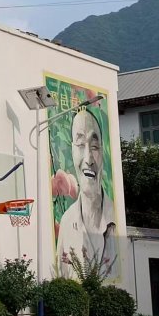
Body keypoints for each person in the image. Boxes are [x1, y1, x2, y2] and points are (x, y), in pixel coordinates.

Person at [56, 109, 118, 279]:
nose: (88, 159)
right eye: (80, 145)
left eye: (95, 147)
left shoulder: (116, 217)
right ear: (72, 150)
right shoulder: (66, 222)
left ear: (103, 153)